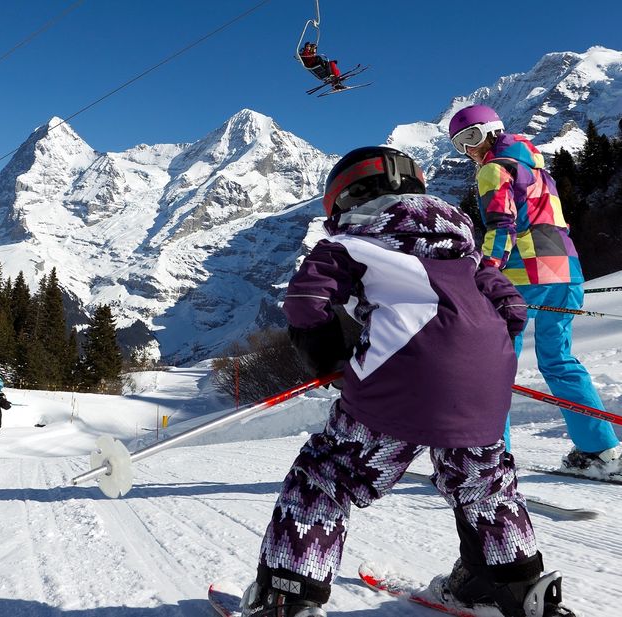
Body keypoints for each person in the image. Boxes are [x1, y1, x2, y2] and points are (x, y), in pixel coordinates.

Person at [239, 146, 574, 617]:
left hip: (394, 383)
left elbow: (305, 302)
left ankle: (286, 597)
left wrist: (330, 360)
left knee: (326, 477)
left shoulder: (349, 243)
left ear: (342, 202)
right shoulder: (467, 249)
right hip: (485, 382)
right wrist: (472, 359)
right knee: (484, 487)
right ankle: (516, 592)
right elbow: (513, 309)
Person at [448, 104, 621, 473]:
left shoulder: (494, 169)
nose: (470, 149)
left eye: (473, 137)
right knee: (559, 360)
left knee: (494, 366)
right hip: (567, 274)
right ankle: (600, 450)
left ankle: (490, 461)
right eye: (460, 144)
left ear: (492, 131)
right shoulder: (539, 170)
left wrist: (485, 272)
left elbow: (501, 226)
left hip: (523, 279)